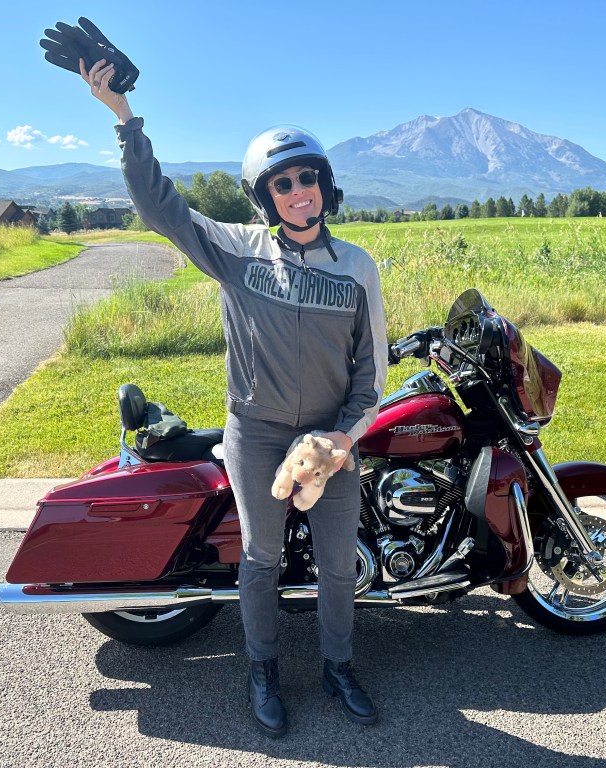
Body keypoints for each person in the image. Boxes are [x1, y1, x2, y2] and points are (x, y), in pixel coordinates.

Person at [78, 58, 388, 738]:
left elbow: (372, 373)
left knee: (339, 565)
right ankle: (262, 671)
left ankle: (339, 668)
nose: (299, 191)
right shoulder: (235, 250)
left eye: (307, 177)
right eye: (283, 183)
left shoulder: (357, 267)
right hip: (257, 434)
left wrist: (341, 439)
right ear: (265, 197)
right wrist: (125, 120)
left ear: (324, 185)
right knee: (262, 558)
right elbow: (160, 207)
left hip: (330, 442)